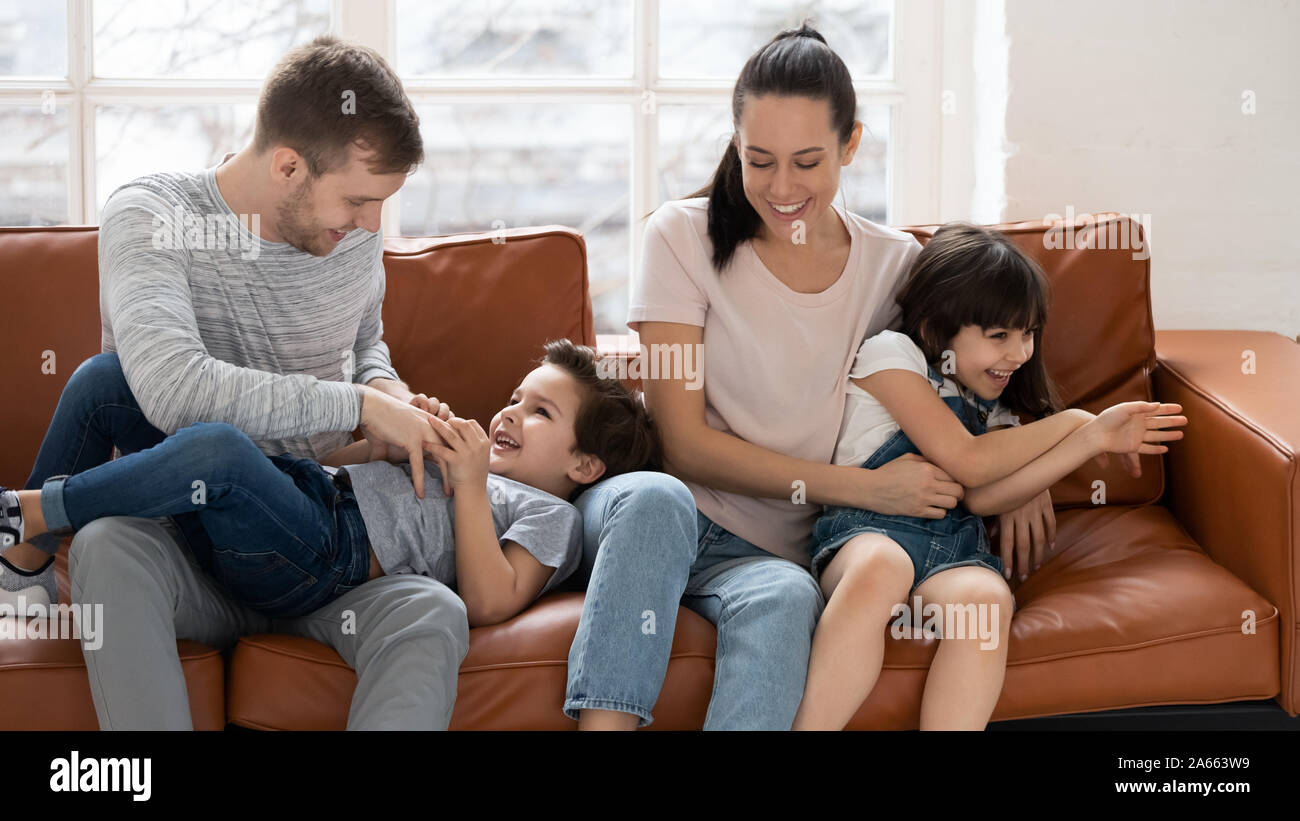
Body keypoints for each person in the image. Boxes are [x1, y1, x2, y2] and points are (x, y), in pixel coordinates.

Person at [0, 35, 472, 730]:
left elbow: (368, 345)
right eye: (358, 200)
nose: (374, 224)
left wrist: (389, 398)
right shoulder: (153, 217)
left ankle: (23, 526)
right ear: (288, 166)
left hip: (314, 537)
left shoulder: (354, 238)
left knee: (435, 609)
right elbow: (169, 389)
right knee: (106, 536)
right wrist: (359, 401)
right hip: (185, 542)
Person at [562, 23, 1018, 730]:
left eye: (807, 162)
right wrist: (865, 489)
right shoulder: (680, 238)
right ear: (735, 144)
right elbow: (683, 446)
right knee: (655, 498)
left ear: (851, 145)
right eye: (759, 159)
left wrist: (1020, 479)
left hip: (770, 552)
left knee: (786, 598)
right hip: (665, 515)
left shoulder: (893, 265)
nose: (781, 188)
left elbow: (966, 379)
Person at [792, 223, 1187, 729]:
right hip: (866, 534)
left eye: (1028, 334)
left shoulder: (992, 411)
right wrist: (1072, 422)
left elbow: (983, 496)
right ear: (938, 330)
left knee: (987, 600)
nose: (1019, 354)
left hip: (951, 548)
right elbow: (969, 461)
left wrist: (1092, 441)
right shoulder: (892, 356)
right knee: (882, 567)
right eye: (999, 335)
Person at [1, 340, 660, 627]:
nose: (511, 411)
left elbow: (490, 602)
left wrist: (467, 481)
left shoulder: (552, 516)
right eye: (516, 397)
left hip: (322, 556)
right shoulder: (466, 457)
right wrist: (380, 441)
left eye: (540, 412)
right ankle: (24, 566)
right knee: (108, 380)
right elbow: (340, 467)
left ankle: (28, 511)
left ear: (585, 467)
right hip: (300, 498)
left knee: (221, 452)